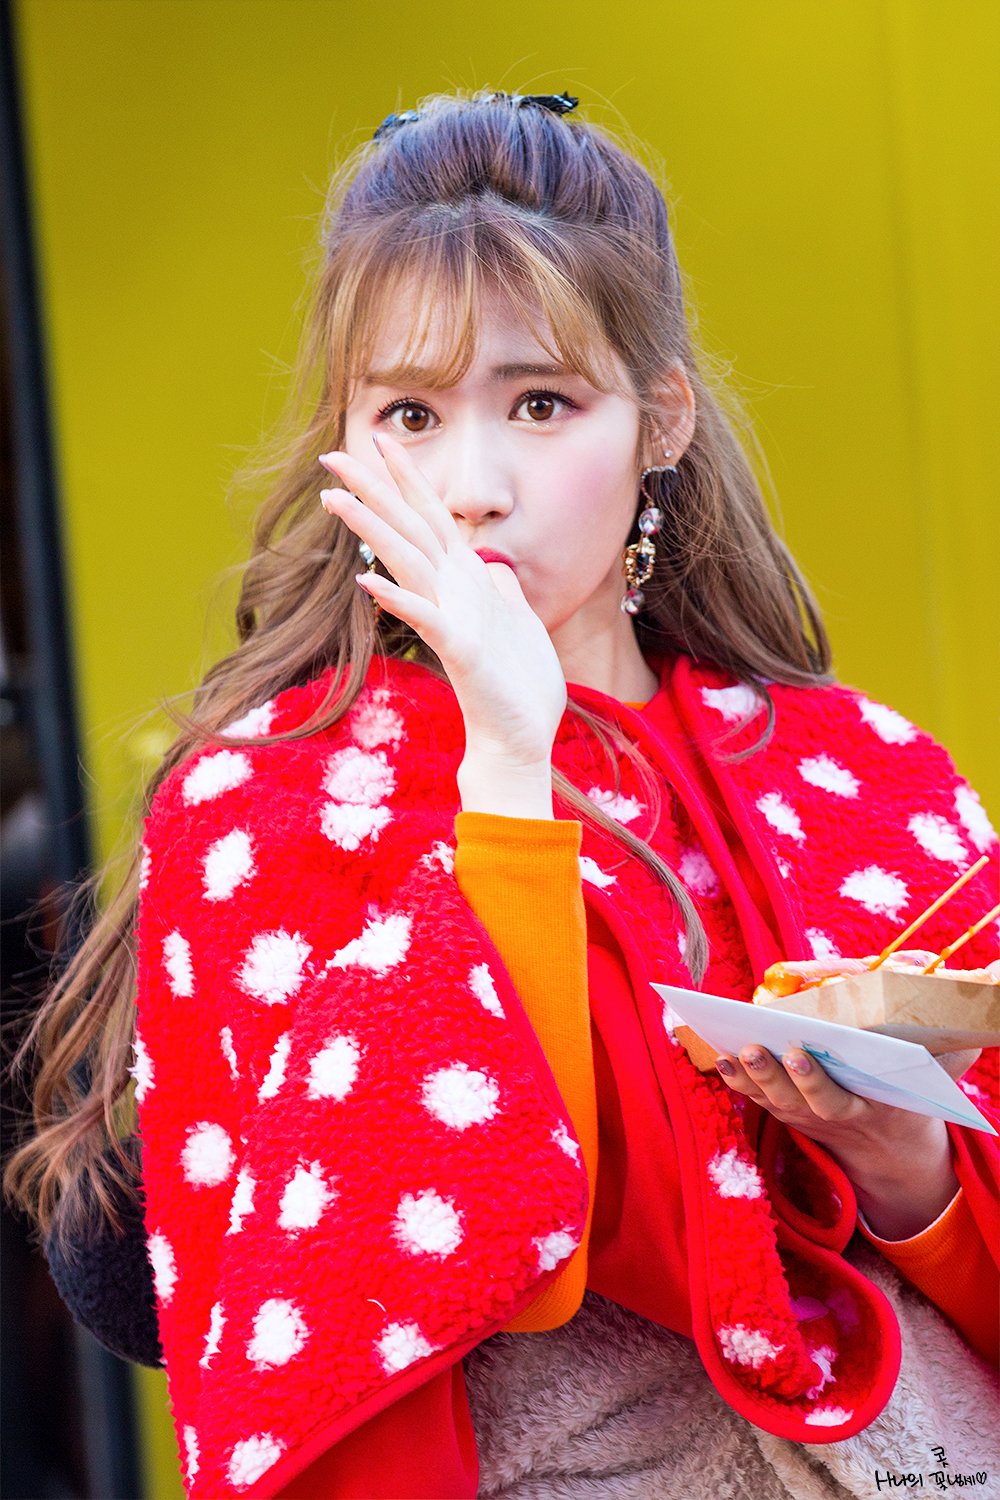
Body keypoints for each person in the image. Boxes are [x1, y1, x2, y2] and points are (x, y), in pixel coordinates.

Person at [5, 88, 998, 1500]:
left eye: (542, 403)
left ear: (662, 420)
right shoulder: (258, 809)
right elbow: (409, 1265)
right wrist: (511, 767)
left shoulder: (867, 777)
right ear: (349, 447)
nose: (471, 485)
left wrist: (909, 1175)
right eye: (410, 413)